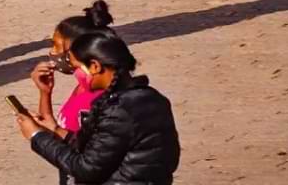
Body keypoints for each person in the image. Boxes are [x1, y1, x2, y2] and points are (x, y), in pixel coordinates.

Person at [17, 33, 180, 185]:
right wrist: (54, 129)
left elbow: (86, 169)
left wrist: (36, 136)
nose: (76, 73)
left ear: (94, 66)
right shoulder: (150, 98)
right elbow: (100, 147)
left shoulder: (119, 110)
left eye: (77, 67)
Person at [27, 0, 118, 138]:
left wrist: (49, 131)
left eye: (57, 46)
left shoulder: (105, 102)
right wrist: (45, 93)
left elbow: (89, 154)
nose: (53, 52)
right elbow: (54, 130)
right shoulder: (83, 86)